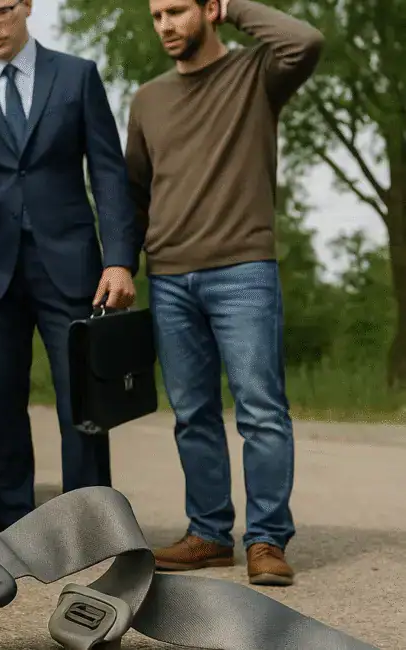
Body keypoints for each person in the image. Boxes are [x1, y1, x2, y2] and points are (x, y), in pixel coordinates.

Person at [124, 0, 324, 586]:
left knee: (261, 412)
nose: (165, 26)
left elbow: (306, 41)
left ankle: (266, 540)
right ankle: (209, 534)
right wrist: (123, 266)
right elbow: (136, 190)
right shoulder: (147, 100)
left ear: (210, 10)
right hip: (169, 278)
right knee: (192, 415)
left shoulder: (257, 75)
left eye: (178, 11)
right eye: (157, 15)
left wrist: (236, 7)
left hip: (243, 271)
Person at [0, 0, 139, 533]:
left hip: (71, 265)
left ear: (26, 6)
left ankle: (87, 528)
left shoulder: (77, 76)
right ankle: (16, 527)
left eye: (1, 11)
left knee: (82, 404)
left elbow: (109, 174)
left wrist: (118, 260)